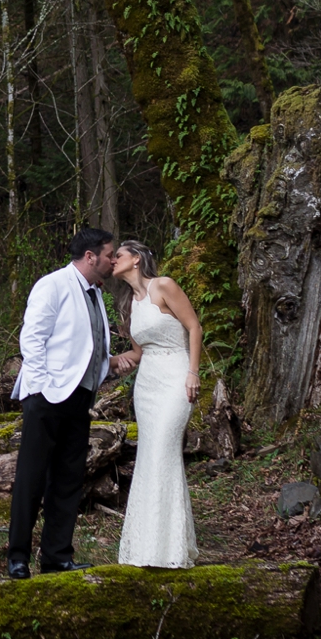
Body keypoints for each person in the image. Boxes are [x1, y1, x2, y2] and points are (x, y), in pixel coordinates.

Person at [6, 226, 121, 579]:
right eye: (109, 255)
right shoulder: (53, 284)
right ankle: (18, 557)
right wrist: (41, 389)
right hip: (47, 397)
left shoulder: (95, 293)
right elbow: (33, 339)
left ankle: (57, 555)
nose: (114, 261)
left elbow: (86, 343)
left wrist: (108, 367)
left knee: (68, 478)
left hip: (80, 397)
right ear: (90, 257)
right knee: (32, 477)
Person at [106, 238, 203, 567]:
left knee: (164, 450)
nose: (112, 260)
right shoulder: (130, 305)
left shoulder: (164, 286)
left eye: (117, 255)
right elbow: (136, 354)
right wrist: (101, 361)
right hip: (146, 386)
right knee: (149, 459)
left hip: (176, 376)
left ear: (135, 259)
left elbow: (194, 327)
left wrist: (193, 372)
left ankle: (171, 548)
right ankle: (148, 548)